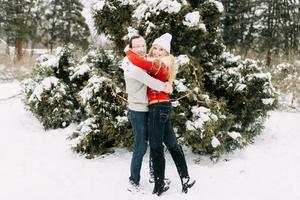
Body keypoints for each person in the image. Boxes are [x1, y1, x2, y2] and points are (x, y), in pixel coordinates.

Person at [125, 33, 196, 196]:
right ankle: (185, 178)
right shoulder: (160, 62)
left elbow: (138, 61)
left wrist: (129, 51)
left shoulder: (158, 64)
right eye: (155, 48)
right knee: (172, 144)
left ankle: (159, 184)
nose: (156, 52)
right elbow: (143, 61)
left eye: (161, 49)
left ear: (166, 53)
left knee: (156, 147)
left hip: (157, 108)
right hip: (163, 107)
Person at [121, 35, 172, 192]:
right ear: (131, 48)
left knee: (155, 142)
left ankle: (154, 174)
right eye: (137, 46)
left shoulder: (142, 59)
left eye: (143, 45)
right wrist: (166, 87)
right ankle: (133, 181)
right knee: (141, 146)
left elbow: (158, 61)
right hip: (138, 110)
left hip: (150, 107)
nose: (141, 49)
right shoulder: (132, 66)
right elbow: (150, 81)